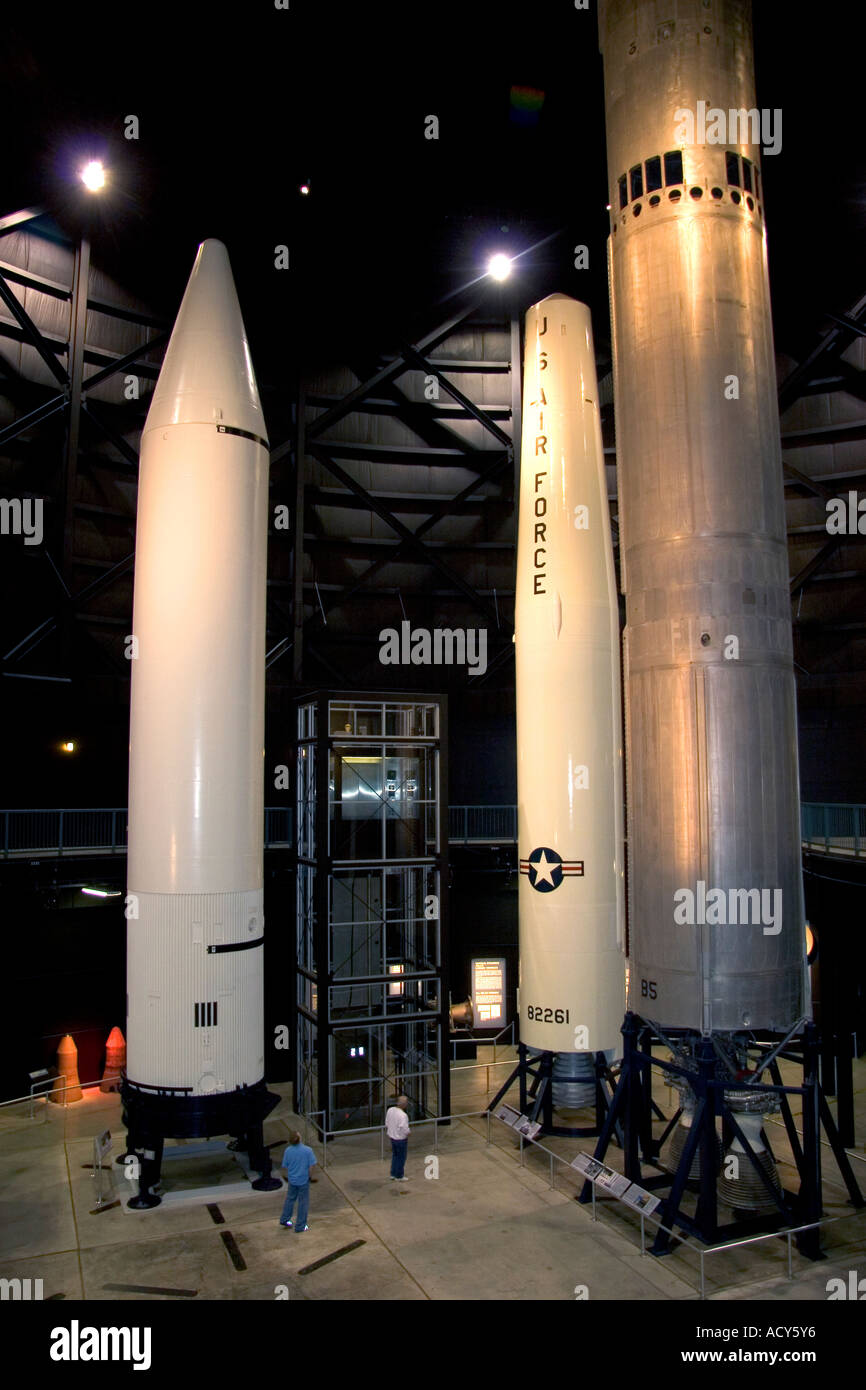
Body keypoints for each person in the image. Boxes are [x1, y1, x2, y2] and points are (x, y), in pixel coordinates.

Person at [279, 1131, 317, 1230]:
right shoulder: (307, 1150)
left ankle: (285, 1219)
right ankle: (300, 1225)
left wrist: (286, 1177)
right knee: (303, 1202)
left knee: (290, 1199)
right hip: (303, 1180)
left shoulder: (288, 1151)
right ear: (299, 1138)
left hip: (292, 1180)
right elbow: (311, 1166)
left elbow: (284, 1166)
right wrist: (310, 1177)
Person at [385, 1094, 410, 1181]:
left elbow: (387, 1122)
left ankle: (393, 1173)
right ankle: (399, 1175)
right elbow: (404, 1128)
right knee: (401, 1157)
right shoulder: (403, 1115)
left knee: (395, 1156)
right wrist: (408, 1133)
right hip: (400, 1139)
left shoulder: (390, 1110)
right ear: (404, 1104)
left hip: (392, 1137)